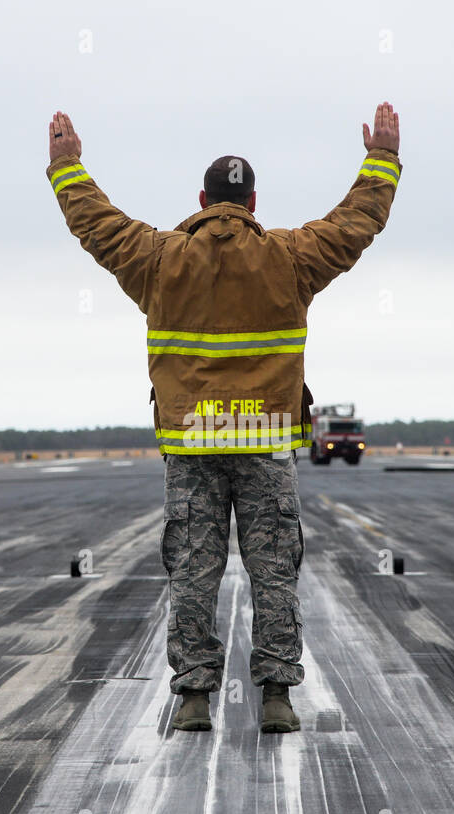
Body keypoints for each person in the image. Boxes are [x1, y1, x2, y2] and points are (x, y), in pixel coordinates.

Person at [45, 104, 401, 733]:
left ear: (202, 199)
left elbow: (97, 226)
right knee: (272, 573)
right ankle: (276, 698)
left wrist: (66, 167)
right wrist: (382, 161)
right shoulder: (292, 258)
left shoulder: (158, 258)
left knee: (192, 571)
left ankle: (192, 700)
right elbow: (354, 226)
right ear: (254, 202)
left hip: (192, 443)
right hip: (265, 444)